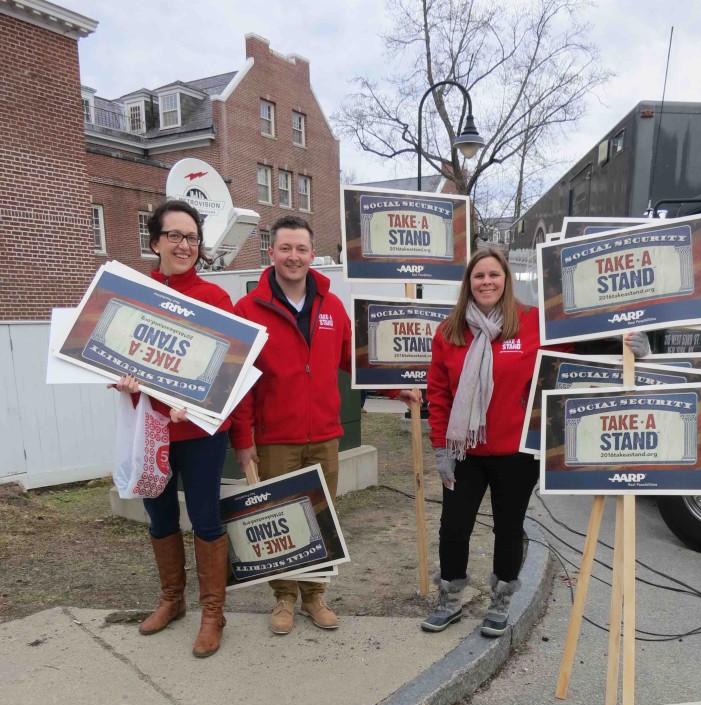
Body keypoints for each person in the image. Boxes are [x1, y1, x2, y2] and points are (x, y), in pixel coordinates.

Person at [423, 245, 647, 637]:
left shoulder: (533, 324)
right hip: (464, 453)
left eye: (494, 275)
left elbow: (583, 352)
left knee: (508, 528)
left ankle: (501, 599)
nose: (486, 281)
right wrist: (440, 446)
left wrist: (630, 346)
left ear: (506, 280)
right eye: (479, 276)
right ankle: (451, 598)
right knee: (453, 527)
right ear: (468, 283)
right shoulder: (449, 332)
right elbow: (439, 392)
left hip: (516, 453)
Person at [234, 215, 414, 636]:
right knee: (280, 518)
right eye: (285, 248)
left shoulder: (331, 307)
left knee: (320, 516)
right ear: (271, 252)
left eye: (301, 249)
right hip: (276, 437)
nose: (293, 257)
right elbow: (239, 384)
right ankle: (283, 596)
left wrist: (394, 389)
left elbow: (353, 360)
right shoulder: (248, 309)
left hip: (324, 436)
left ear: (313, 254)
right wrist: (244, 442)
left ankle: (314, 594)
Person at [112, 199, 257, 658]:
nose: (183, 244)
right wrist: (126, 383)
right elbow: (117, 355)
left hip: (201, 436)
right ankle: (172, 600)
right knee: (160, 518)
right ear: (154, 243)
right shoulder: (135, 295)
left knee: (206, 518)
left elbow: (230, 379)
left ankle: (213, 612)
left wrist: (199, 409)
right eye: (173, 235)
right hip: (152, 432)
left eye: (191, 237)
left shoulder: (217, 300)